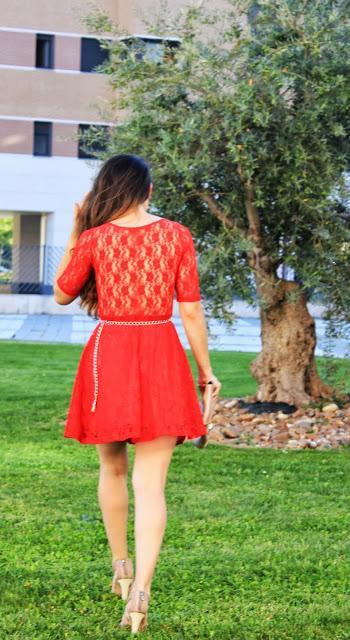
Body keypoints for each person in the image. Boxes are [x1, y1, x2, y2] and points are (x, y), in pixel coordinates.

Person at [53, 153, 221, 634]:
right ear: (147, 191)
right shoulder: (177, 235)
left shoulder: (94, 237)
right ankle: (142, 593)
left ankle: (121, 568)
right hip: (162, 353)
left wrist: (76, 227)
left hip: (110, 353)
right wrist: (206, 371)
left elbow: (62, 293)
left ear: (109, 190)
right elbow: (190, 311)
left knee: (112, 466)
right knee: (152, 486)